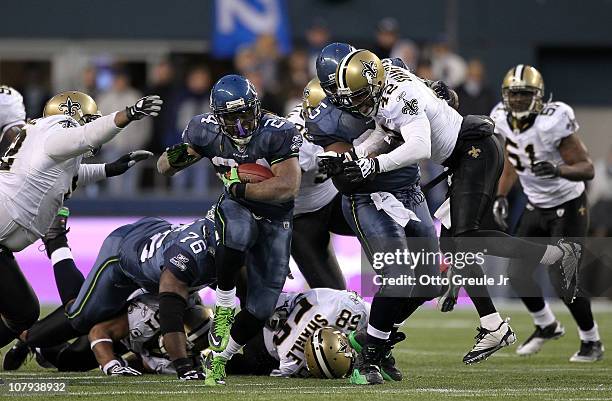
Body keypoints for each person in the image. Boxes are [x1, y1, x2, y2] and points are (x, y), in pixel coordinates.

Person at [325, 49, 583, 382]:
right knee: (454, 248)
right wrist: (356, 156)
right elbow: (384, 128)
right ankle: (492, 324)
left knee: (465, 238)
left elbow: (418, 146)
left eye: (360, 96)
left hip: (473, 153)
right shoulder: (385, 81)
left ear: (375, 82)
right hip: (462, 157)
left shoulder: (398, 96)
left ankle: (559, 254)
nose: (357, 103)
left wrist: (375, 163)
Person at [306, 43, 440, 385]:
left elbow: (417, 100)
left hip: (409, 189)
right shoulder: (327, 116)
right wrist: (377, 145)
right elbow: (346, 168)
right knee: (397, 278)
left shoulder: (389, 73)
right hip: (367, 196)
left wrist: (435, 98)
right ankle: (369, 357)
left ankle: (373, 338)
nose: (364, 97)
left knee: (430, 282)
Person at [157, 74, 302, 386]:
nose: (239, 126)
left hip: (276, 218)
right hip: (236, 207)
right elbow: (164, 167)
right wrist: (179, 155)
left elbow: (288, 186)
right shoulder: (204, 129)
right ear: (216, 116)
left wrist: (241, 190)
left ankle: (218, 358)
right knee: (237, 231)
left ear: (257, 108)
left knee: (262, 306)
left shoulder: (277, 131)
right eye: (230, 118)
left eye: (245, 116)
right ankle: (223, 307)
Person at [0, 90, 161, 349]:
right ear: (72, 117)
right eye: (90, 119)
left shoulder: (44, 143)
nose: (93, 124)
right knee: (22, 312)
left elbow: (67, 175)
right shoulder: (55, 128)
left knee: (24, 314)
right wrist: (127, 115)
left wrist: (109, 169)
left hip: (2, 242)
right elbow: (86, 136)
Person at [6, 211, 217, 380]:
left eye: (196, 349)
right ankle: (56, 240)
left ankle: (42, 348)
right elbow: (99, 332)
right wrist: (111, 365)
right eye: (192, 346)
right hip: (126, 257)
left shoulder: (182, 324)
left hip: (148, 276)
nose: (194, 352)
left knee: (74, 361)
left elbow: (146, 362)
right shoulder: (153, 314)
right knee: (80, 316)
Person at [492, 64, 603, 362]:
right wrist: (501, 195)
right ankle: (546, 324)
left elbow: (587, 168)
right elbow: (513, 160)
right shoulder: (501, 118)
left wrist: (558, 169)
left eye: (524, 94)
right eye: (513, 95)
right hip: (535, 205)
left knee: (563, 278)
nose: (517, 101)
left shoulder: (553, 120)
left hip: (568, 206)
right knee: (516, 273)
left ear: (538, 96)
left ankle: (591, 341)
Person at [285, 78, 354, 290]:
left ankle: (420, 268)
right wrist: (274, 242)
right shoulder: (296, 140)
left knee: (389, 214)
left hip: (336, 199)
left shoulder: (349, 118)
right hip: (302, 219)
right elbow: (279, 191)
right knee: (336, 296)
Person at [226, 288, 369, 377]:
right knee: (246, 366)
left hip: (273, 305)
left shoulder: (350, 309)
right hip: (263, 344)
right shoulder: (291, 361)